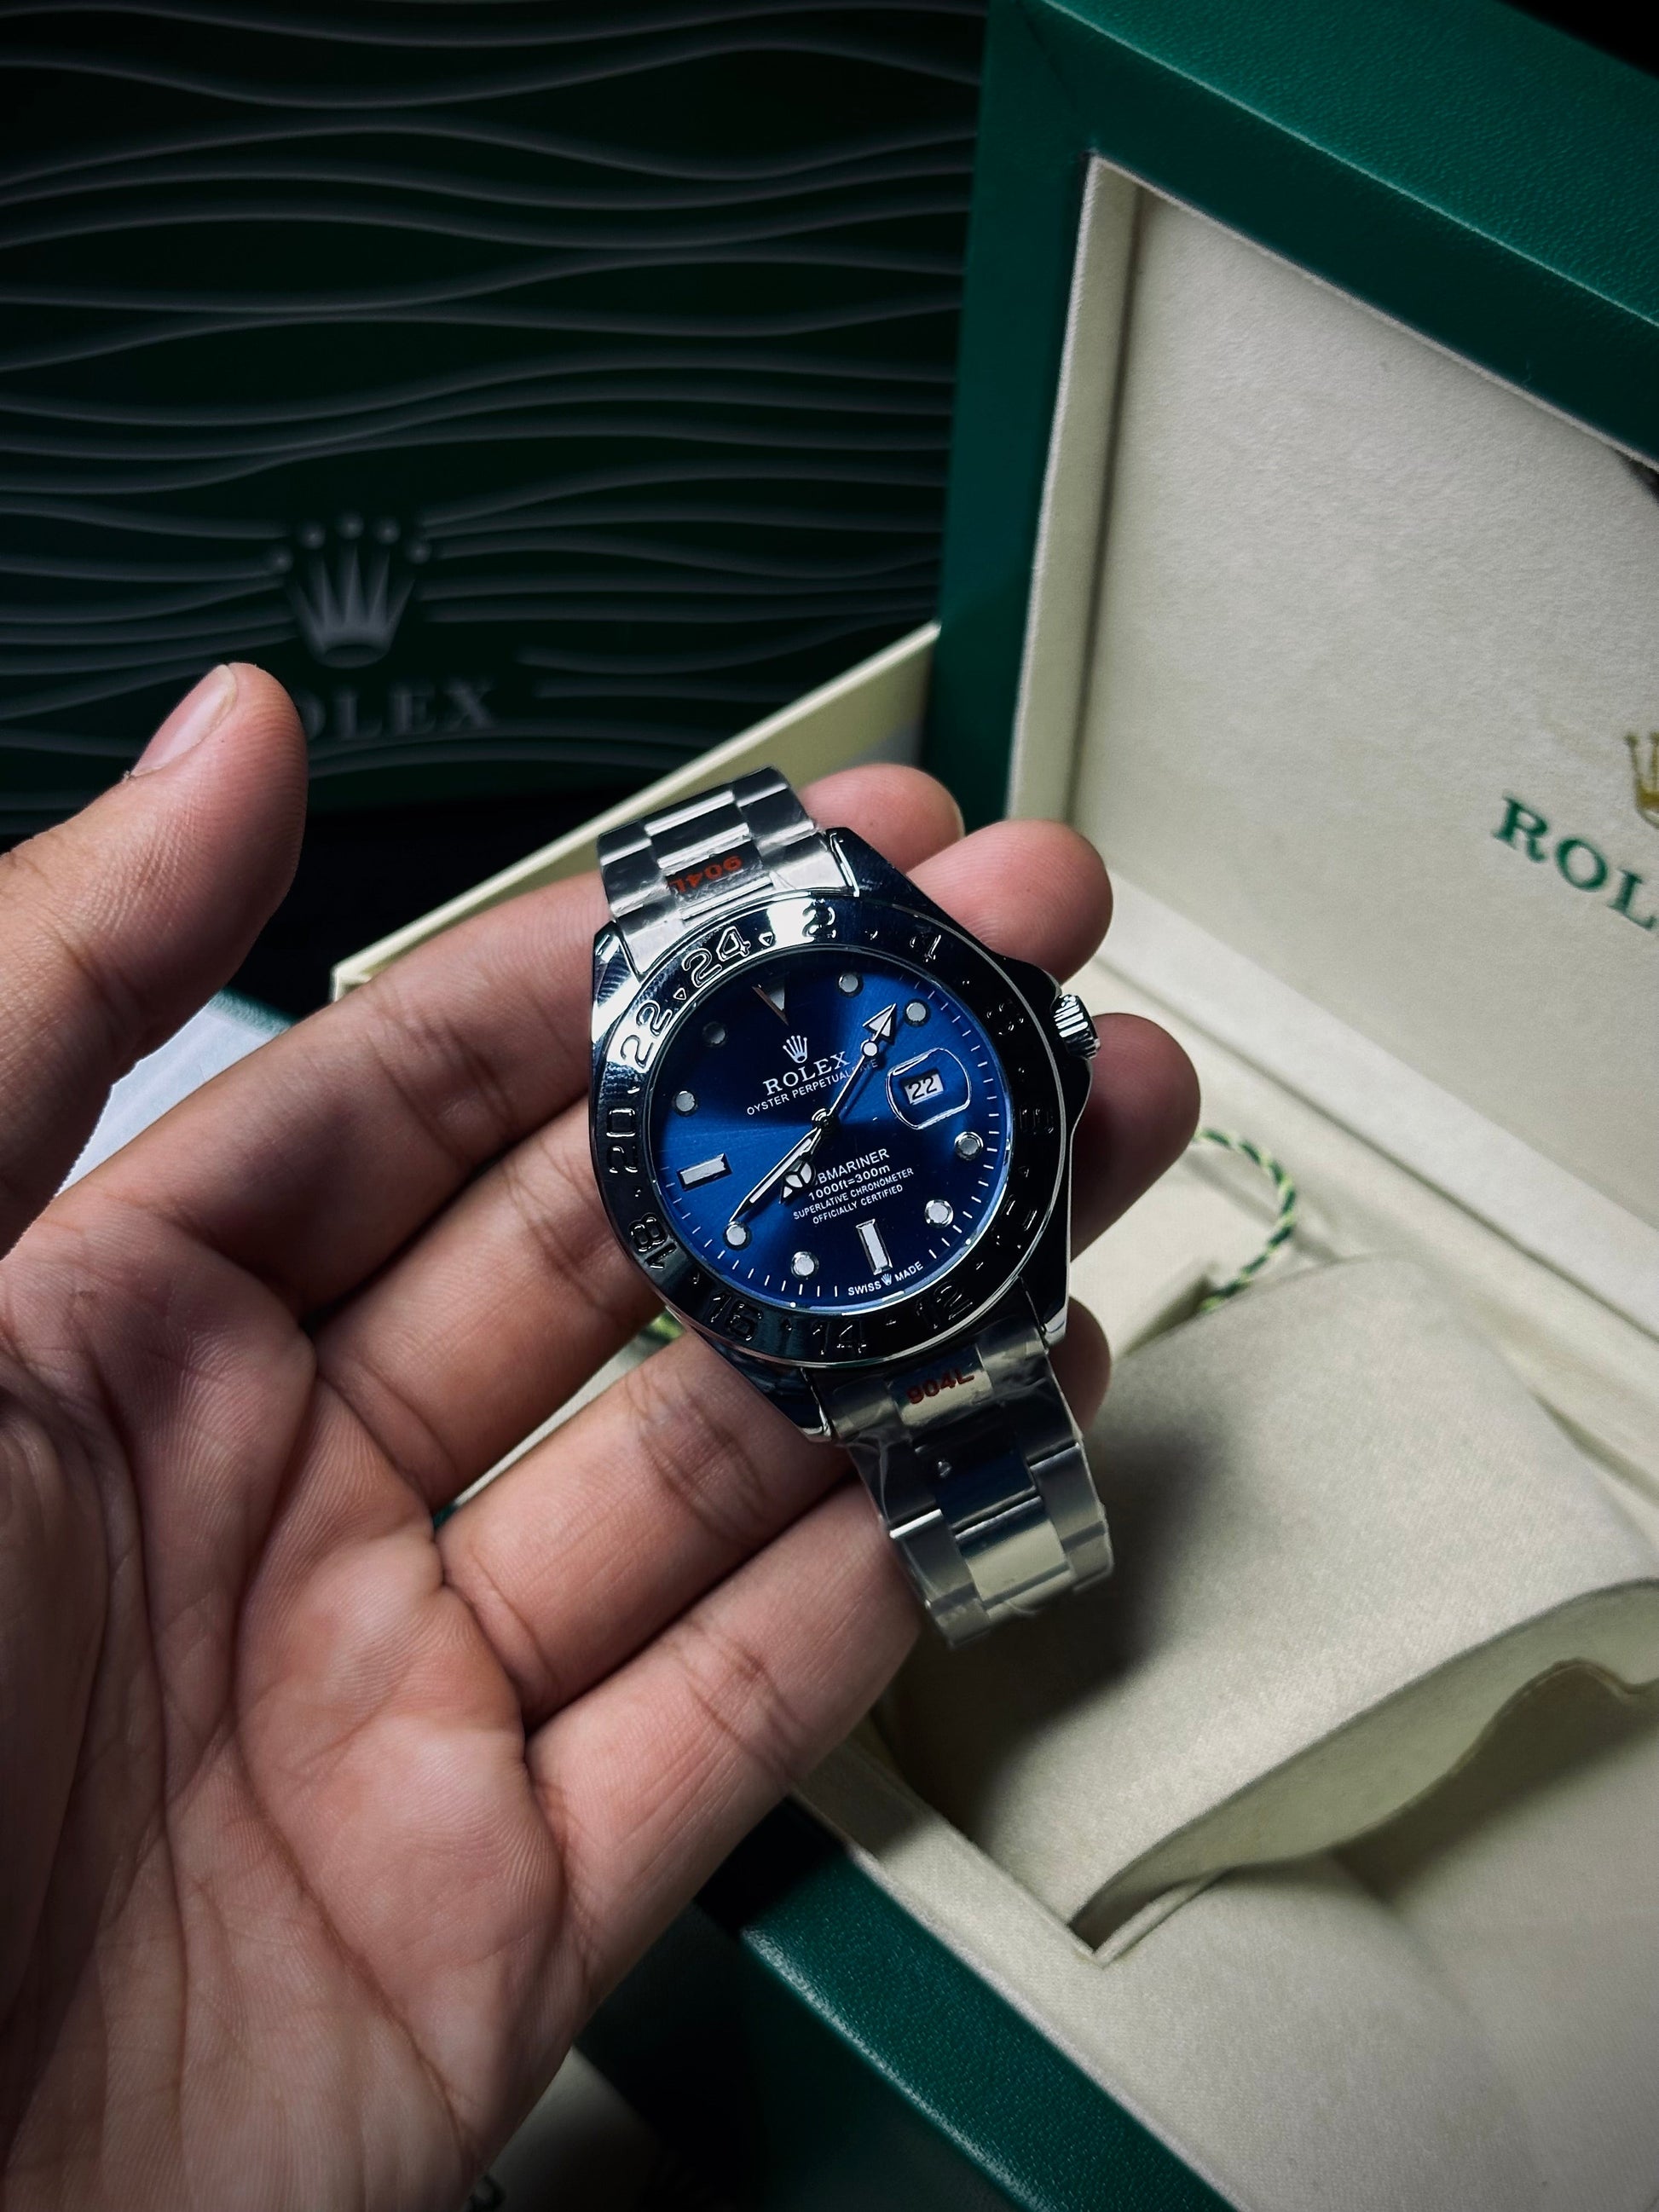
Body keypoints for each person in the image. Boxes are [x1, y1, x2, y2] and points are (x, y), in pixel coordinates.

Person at [0, 667, 1197, 2209]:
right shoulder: (702, 1170)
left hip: (937, 1267)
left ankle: (1024, 1584)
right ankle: (1019, 1589)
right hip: (844, 1301)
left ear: (1043, 1043)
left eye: (848, 1095)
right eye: (786, 1131)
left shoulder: (852, 1095)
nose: (818, 1134)